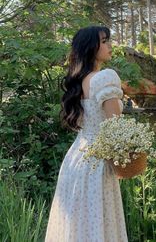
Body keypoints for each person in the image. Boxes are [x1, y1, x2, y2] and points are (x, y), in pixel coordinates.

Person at [45, 25, 128, 242]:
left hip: (76, 159)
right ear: (92, 47)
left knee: (80, 224)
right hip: (98, 161)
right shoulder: (104, 78)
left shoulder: (79, 82)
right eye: (105, 41)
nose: (110, 45)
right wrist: (124, 160)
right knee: (99, 223)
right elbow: (115, 128)